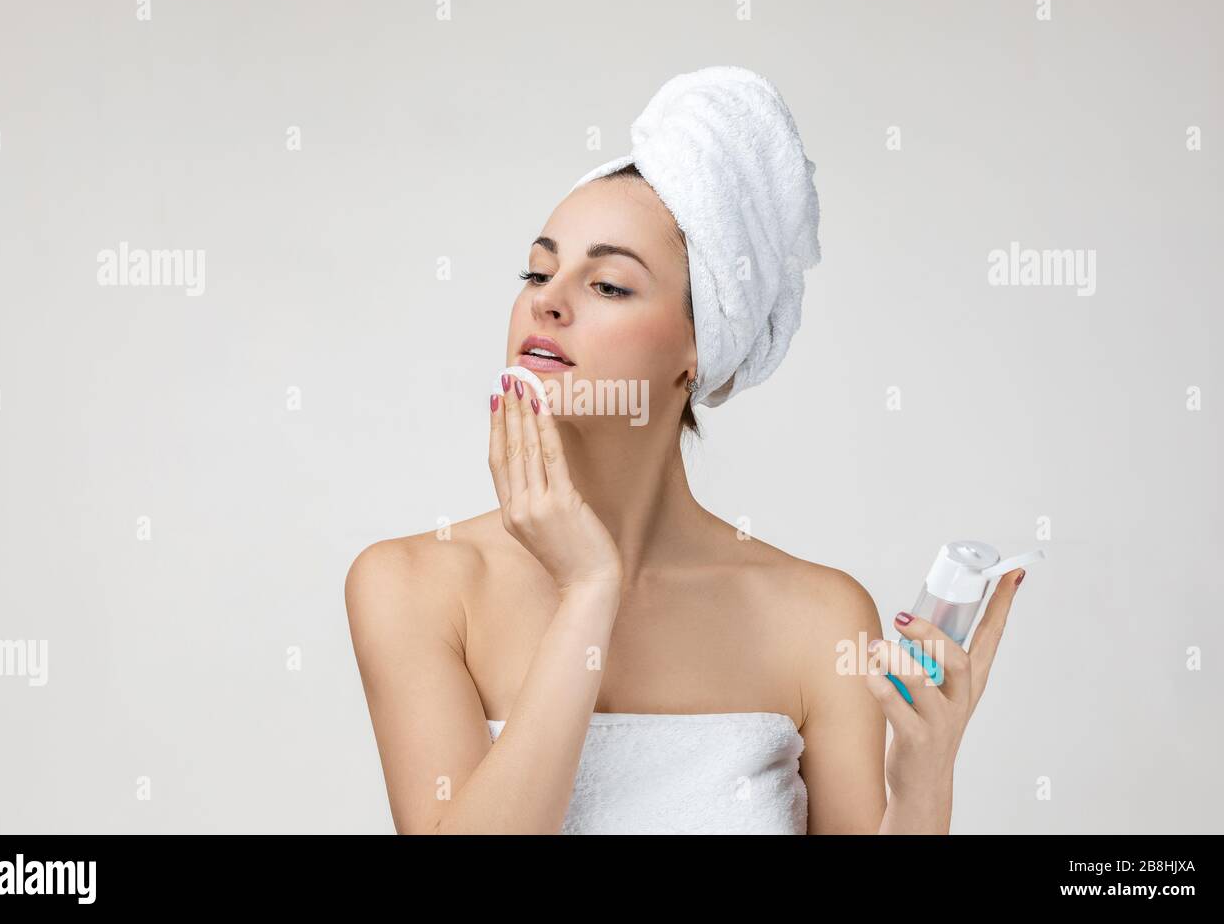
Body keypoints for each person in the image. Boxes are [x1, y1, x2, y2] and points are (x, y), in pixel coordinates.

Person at [345, 68, 1030, 834]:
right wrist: (588, 591)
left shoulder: (819, 618)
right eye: (537, 272)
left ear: (700, 346)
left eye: (607, 286)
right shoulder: (413, 586)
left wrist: (923, 785)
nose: (547, 299)